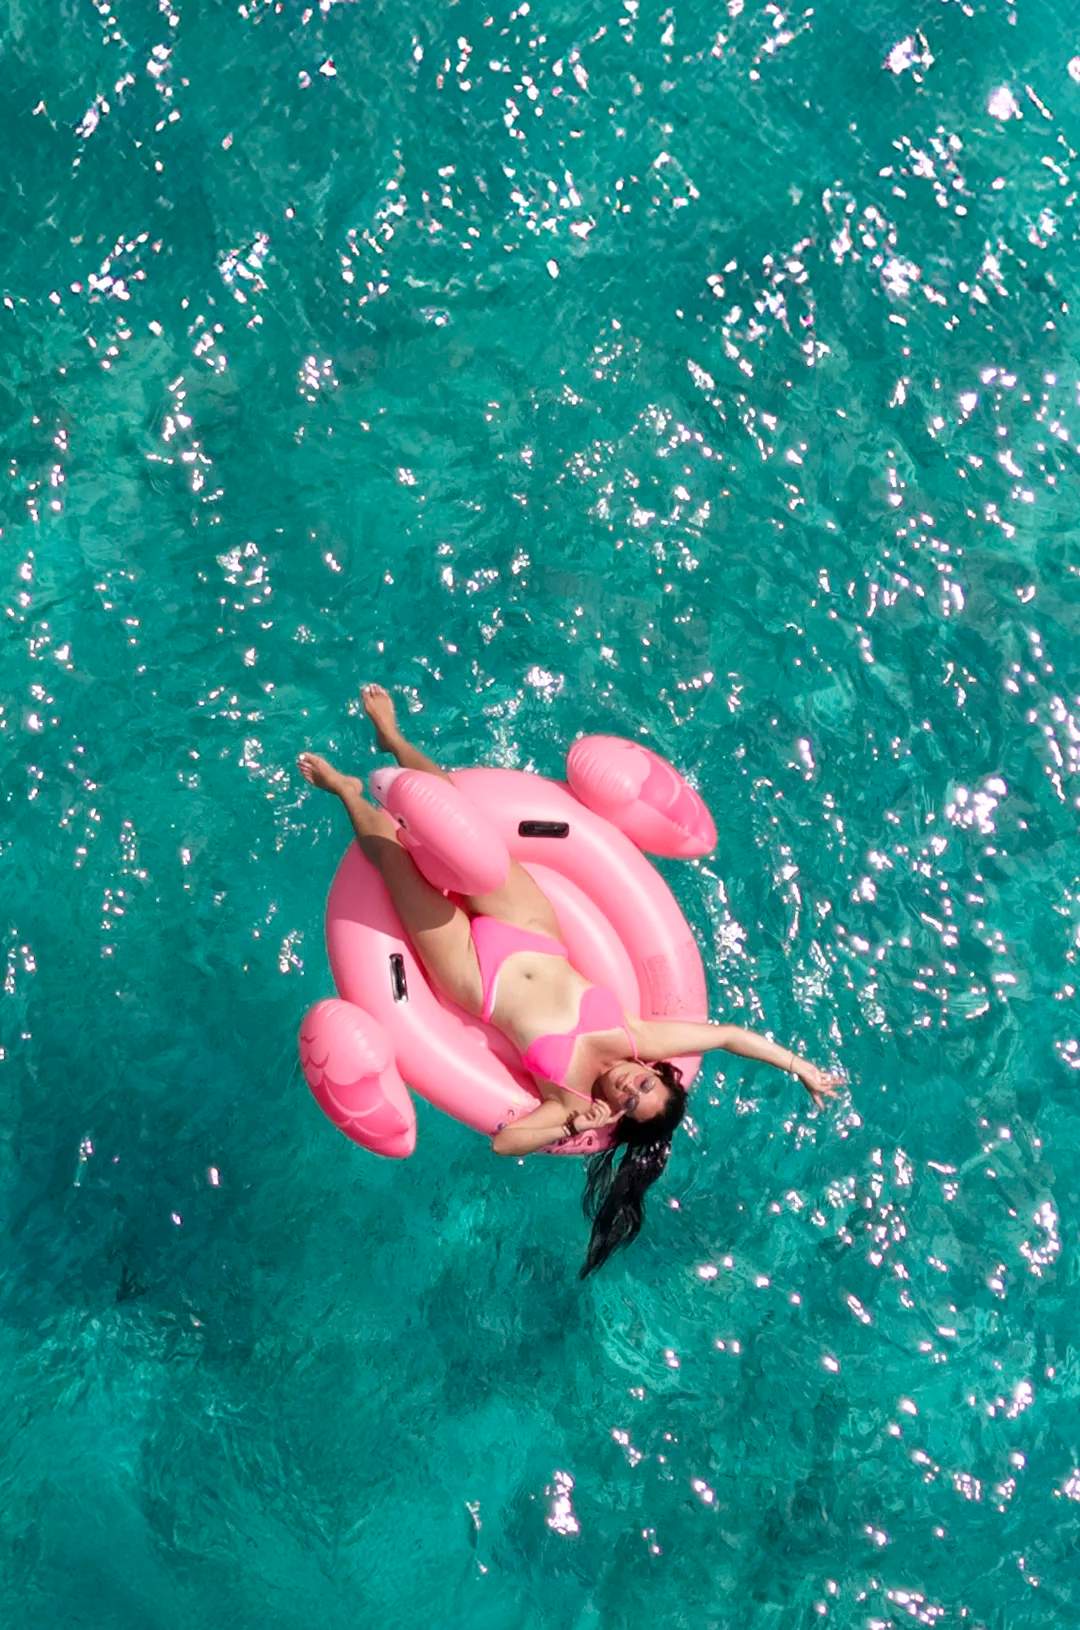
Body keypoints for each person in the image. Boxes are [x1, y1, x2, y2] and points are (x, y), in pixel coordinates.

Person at [299, 686, 843, 1277]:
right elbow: (729, 1036)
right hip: (529, 928)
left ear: (619, 1115)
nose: (629, 1086)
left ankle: (346, 791)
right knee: (465, 828)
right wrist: (799, 1067)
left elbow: (503, 1143)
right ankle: (395, 740)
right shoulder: (639, 1038)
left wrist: (571, 1123)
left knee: (391, 859)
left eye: (630, 1102)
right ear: (656, 1072)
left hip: (475, 975)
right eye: (645, 1084)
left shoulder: (572, 1101)